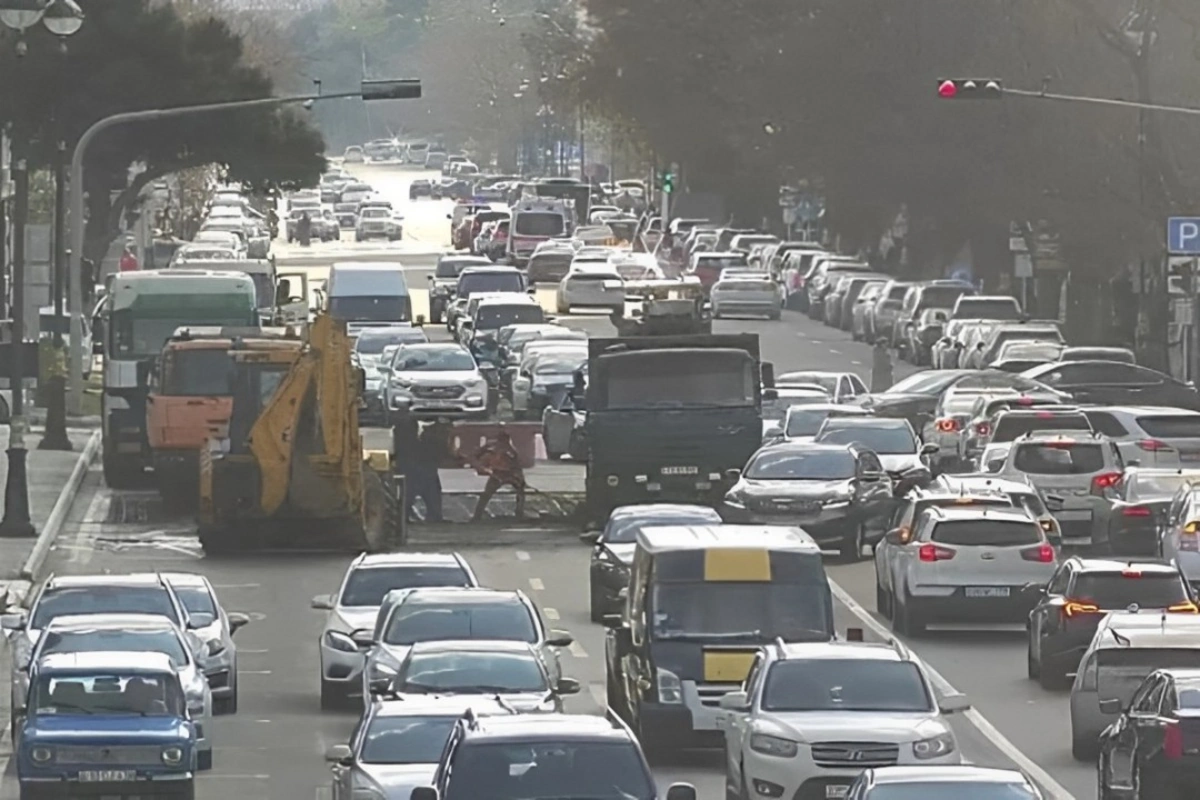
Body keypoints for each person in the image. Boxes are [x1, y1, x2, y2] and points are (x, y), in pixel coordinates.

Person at [470, 428, 526, 521]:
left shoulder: (510, 451)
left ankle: (519, 513)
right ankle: (477, 515)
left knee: (520, 492)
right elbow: (476, 455)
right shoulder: (493, 447)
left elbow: (516, 467)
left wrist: (518, 479)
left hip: (509, 473)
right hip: (498, 473)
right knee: (486, 495)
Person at [410, 419, 452, 522]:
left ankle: (434, 515)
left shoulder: (431, 437)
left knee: (429, 491)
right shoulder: (434, 438)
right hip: (423, 467)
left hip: (425, 467)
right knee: (427, 490)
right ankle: (433, 515)